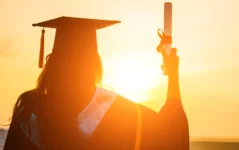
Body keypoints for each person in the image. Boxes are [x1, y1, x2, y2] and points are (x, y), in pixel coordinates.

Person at [4, 16, 189, 150]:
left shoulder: (28, 116)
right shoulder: (128, 117)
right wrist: (173, 73)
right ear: (94, 64)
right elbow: (172, 135)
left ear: (52, 63)